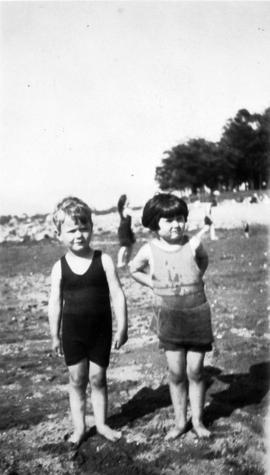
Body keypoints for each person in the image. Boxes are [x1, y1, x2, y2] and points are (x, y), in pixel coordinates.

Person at [129, 193, 213, 440]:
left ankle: (197, 421)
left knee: (196, 371)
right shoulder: (149, 249)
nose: (176, 224)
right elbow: (134, 269)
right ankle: (179, 422)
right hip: (168, 317)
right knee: (176, 373)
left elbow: (203, 260)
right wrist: (153, 284)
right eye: (168, 220)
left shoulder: (194, 244)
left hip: (197, 314)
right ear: (155, 224)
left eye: (180, 218)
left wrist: (196, 276)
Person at [48, 196, 128, 446]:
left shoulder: (103, 260)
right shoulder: (59, 268)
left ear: (92, 228)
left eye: (84, 228)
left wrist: (123, 326)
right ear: (59, 233)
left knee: (98, 379)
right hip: (73, 333)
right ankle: (80, 427)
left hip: (100, 332)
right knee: (77, 380)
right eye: (72, 230)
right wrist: (54, 334)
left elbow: (117, 294)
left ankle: (102, 424)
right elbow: (54, 302)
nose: (79, 235)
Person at [117, 194, 135, 268]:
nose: (129, 199)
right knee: (124, 247)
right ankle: (120, 262)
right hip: (124, 230)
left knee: (130, 246)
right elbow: (134, 216)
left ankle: (127, 261)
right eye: (128, 199)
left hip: (127, 230)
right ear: (125, 201)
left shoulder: (124, 210)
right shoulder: (127, 210)